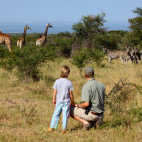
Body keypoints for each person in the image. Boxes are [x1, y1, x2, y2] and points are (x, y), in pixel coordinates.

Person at [70, 66, 105, 130]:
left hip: (92, 114)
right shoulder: (101, 85)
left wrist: (78, 105)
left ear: (85, 75)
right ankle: (95, 122)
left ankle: (86, 123)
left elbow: (86, 104)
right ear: (94, 74)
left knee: (68, 109)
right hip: (101, 114)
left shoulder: (86, 86)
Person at [48, 65, 75, 133]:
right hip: (66, 102)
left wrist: (54, 99)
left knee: (56, 114)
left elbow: (55, 92)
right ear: (68, 73)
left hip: (59, 101)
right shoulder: (69, 82)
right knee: (65, 115)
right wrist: (73, 102)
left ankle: (52, 127)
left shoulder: (57, 81)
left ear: (61, 72)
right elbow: (71, 94)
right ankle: (64, 129)